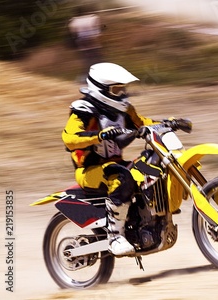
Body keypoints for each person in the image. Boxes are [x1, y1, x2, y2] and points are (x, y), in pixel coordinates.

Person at [62, 62, 160, 256]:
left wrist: (168, 123)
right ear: (101, 89)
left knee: (152, 163)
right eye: (117, 89)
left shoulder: (124, 110)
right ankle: (115, 236)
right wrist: (99, 136)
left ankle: (149, 220)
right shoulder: (83, 110)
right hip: (89, 170)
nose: (122, 93)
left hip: (115, 164)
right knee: (121, 177)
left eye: (123, 88)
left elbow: (143, 124)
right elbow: (69, 138)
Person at [68, 7, 103, 76]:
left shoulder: (73, 21)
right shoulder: (93, 18)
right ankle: (98, 74)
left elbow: (73, 32)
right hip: (92, 39)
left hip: (81, 40)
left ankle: (86, 75)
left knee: (86, 58)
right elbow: (98, 30)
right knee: (97, 57)